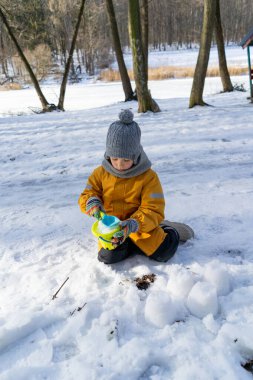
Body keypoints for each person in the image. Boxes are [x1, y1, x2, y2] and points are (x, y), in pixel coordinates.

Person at [78, 109, 193, 264]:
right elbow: (89, 193)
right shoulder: (100, 173)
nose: (119, 164)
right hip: (114, 230)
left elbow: (153, 208)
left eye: (126, 159)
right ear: (108, 155)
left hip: (141, 226)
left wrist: (133, 224)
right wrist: (91, 202)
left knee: (163, 253)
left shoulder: (148, 177)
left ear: (136, 156)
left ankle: (170, 229)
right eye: (115, 158)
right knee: (108, 258)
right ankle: (128, 245)